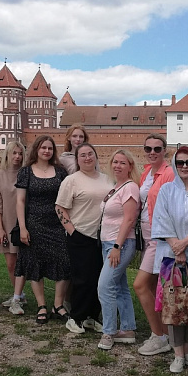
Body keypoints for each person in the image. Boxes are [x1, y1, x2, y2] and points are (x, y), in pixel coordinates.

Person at [151, 146, 188, 371]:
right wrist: (177, 247)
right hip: (171, 257)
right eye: (180, 162)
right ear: (175, 165)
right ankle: (177, 354)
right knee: (175, 305)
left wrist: (185, 243)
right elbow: (161, 219)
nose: (185, 166)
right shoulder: (167, 190)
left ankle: (187, 351)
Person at [55, 142, 112, 334]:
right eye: (83, 155)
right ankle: (76, 317)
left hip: (103, 237)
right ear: (77, 160)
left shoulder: (107, 179)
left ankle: (92, 317)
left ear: (96, 156)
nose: (87, 158)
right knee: (82, 279)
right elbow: (60, 207)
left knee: (98, 279)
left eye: (90, 154)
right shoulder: (72, 180)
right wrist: (72, 231)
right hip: (81, 235)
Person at [15, 135, 71, 324]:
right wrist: (23, 227)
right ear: (36, 150)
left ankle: (58, 305)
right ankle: (41, 305)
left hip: (57, 224)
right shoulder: (26, 172)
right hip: (34, 223)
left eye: (50, 148)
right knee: (35, 264)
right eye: (43, 148)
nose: (46, 151)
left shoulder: (60, 172)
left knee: (64, 261)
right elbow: (20, 201)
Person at [134, 134, 176, 356]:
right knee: (152, 288)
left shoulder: (169, 173)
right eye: (148, 148)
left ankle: (158, 336)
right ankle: (165, 334)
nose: (152, 152)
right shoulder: (147, 173)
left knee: (140, 285)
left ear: (164, 150)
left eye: (157, 149)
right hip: (147, 236)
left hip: (159, 238)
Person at [96, 150, 140, 350]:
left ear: (130, 166)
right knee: (119, 287)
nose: (117, 166)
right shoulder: (116, 187)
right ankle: (128, 329)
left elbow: (129, 219)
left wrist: (117, 247)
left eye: (122, 163)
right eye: (115, 162)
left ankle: (109, 332)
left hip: (119, 244)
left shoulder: (130, 187)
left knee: (104, 286)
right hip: (109, 243)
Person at [0, 141, 28, 315]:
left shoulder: (26, 173)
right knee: (11, 264)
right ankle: (19, 295)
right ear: (7, 154)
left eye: (20, 154)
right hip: (6, 222)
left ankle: (17, 297)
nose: (17, 157)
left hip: (24, 222)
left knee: (23, 261)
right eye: (14, 153)